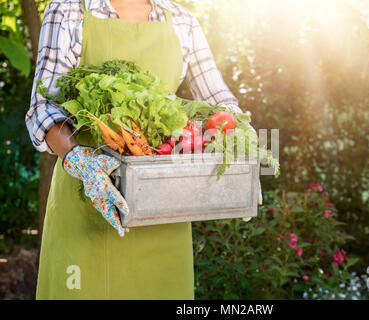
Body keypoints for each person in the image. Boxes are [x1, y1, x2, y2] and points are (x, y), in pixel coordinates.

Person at [25, 0, 245, 300]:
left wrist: (246, 147)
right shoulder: (67, 11)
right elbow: (43, 106)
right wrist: (79, 159)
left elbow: (219, 102)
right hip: (87, 203)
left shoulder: (182, 20)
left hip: (164, 210)